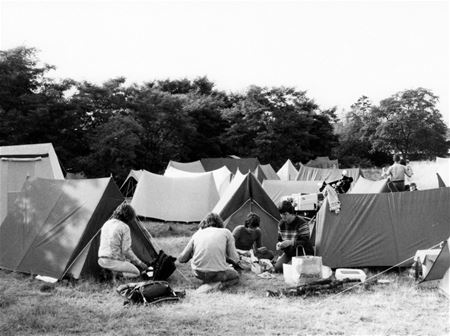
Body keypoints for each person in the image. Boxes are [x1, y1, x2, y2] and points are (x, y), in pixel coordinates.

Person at [178, 213, 239, 289]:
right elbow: (235, 258)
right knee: (235, 276)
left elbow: (181, 259)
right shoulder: (226, 232)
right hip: (217, 273)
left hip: (198, 273)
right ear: (220, 223)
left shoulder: (197, 234)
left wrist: (192, 253)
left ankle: (209, 282)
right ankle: (216, 285)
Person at [98, 203, 148, 280]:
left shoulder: (106, 223)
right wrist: (140, 263)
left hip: (102, 260)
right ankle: (116, 275)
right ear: (129, 216)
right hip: (114, 260)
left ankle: (109, 272)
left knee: (126, 261)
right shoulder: (124, 227)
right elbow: (126, 250)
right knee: (136, 272)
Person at [274, 200, 314, 273]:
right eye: (281, 214)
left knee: (295, 269)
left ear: (291, 213)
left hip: (303, 252)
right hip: (290, 253)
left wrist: (290, 242)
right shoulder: (281, 224)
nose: (282, 216)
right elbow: (280, 239)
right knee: (278, 268)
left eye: (285, 214)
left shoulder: (302, 223)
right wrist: (280, 244)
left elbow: (305, 242)